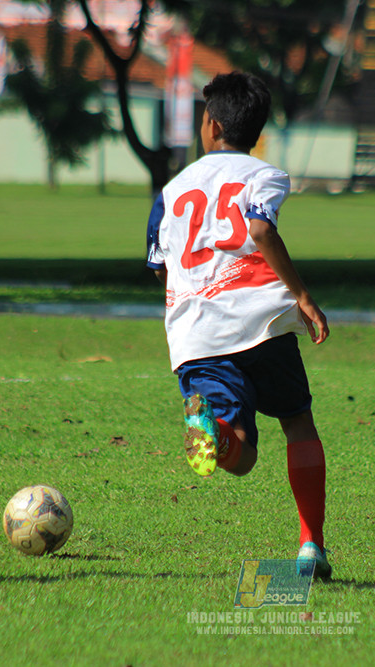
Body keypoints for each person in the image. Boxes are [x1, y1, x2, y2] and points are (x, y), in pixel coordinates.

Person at [146, 72, 331, 579]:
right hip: (262, 321)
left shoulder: (170, 191)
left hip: (198, 336)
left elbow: (161, 266)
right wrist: (303, 295)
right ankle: (310, 545)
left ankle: (218, 433)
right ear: (255, 128)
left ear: (211, 125)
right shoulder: (267, 174)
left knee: (240, 456)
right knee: (297, 422)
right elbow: (259, 226)